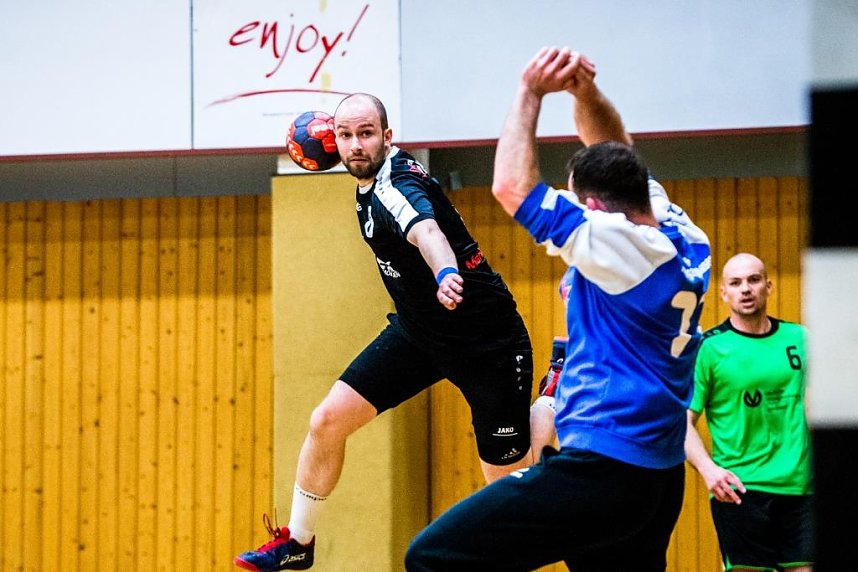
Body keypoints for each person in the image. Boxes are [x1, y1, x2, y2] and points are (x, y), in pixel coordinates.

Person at [405, 46, 712, 572]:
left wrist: (529, 91)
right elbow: (615, 148)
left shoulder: (616, 245)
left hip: (604, 467)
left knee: (432, 557)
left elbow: (511, 187)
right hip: (656, 474)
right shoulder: (674, 226)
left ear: (593, 210)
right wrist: (584, 92)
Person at [234, 93, 535, 571]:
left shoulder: (395, 186)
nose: (355, 145)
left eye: (367, 134)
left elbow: (428, 233)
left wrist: (444, 274)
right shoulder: (368, 178)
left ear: (387, 137)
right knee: (326, 421)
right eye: (346, 135)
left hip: (487, 342)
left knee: (507, 484)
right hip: (420, 333)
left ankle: (549, 412)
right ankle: (298, 543)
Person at [685, 252, 814, 572]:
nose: (746, 288)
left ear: (768, 286)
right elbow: (681, 422)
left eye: (754, 280)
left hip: (801, 487)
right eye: (736, 282)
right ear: (724, 293)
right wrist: (709, 470)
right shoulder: (708, 348)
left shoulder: (800, 339)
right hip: (740, 490)